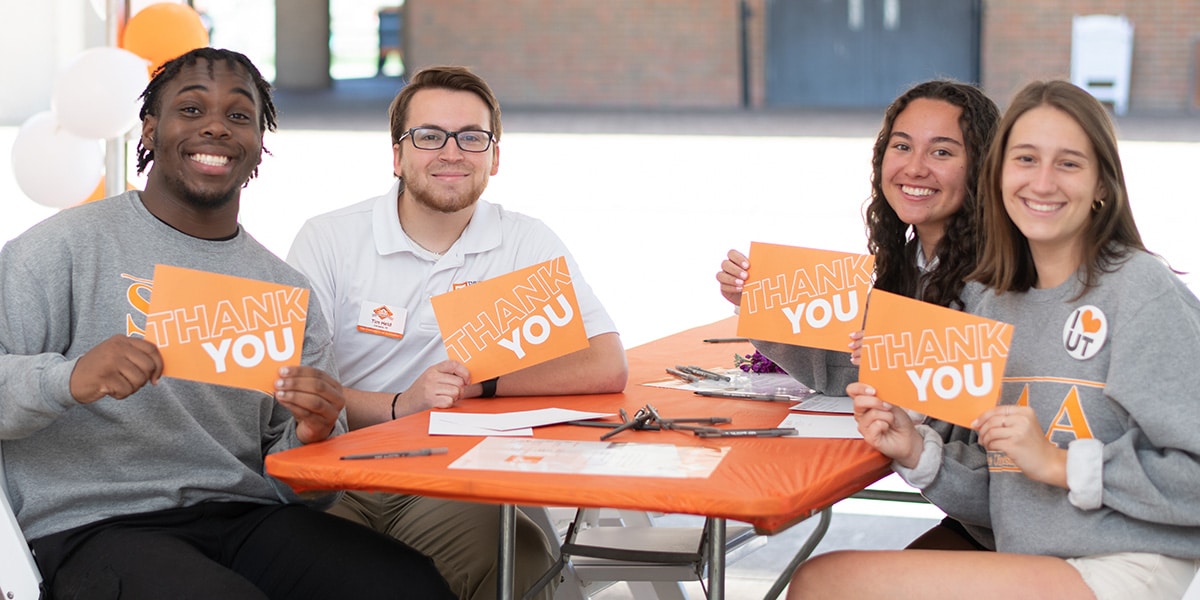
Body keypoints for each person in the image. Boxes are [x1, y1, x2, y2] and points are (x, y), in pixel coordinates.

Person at [0, 48, 454, 599]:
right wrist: (67, 379)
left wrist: (311, 435)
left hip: (244, 516)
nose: (215, 126)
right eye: (190, 110)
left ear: (259, 145)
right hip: (94, 526)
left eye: (239, 116)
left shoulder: (284, 289)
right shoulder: (60, 249)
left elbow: (302, 489)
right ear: (149, 130)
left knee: (409, 585)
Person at [789, 80, 1200, 599]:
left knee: (826, 585)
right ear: (998, 176)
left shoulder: (1137, 289)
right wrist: (918, 449)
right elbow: (1004, 495)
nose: (1043, 183)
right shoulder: (993, 299)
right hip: (1028, 550)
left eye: (1068, 163)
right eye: (1025, 160)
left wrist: (1059, 463)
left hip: (1117, 561)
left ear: (1102, 184)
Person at [286, 65, 628, 599]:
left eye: (472, 137)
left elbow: (607, 365)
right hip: (337, 472)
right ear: (397, 155)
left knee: (525, 557)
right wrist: (405, 404)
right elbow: (295, 389)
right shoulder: (330, 239)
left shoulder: (524, 241)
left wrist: (482, 385)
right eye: (429, 136)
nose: (452, 152)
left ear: (495, 156)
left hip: (450, 479)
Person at [716, 79, 1000, 550]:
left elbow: (1002, 467)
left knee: (823, 582)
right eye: (902, 145)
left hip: (1011, 532)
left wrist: (914, 404)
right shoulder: (911, 266)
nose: (915, 167)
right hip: (976, 521)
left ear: (982, 168)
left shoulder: (1000, 280)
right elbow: (848, 374)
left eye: (943, 152)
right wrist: (762, 306)